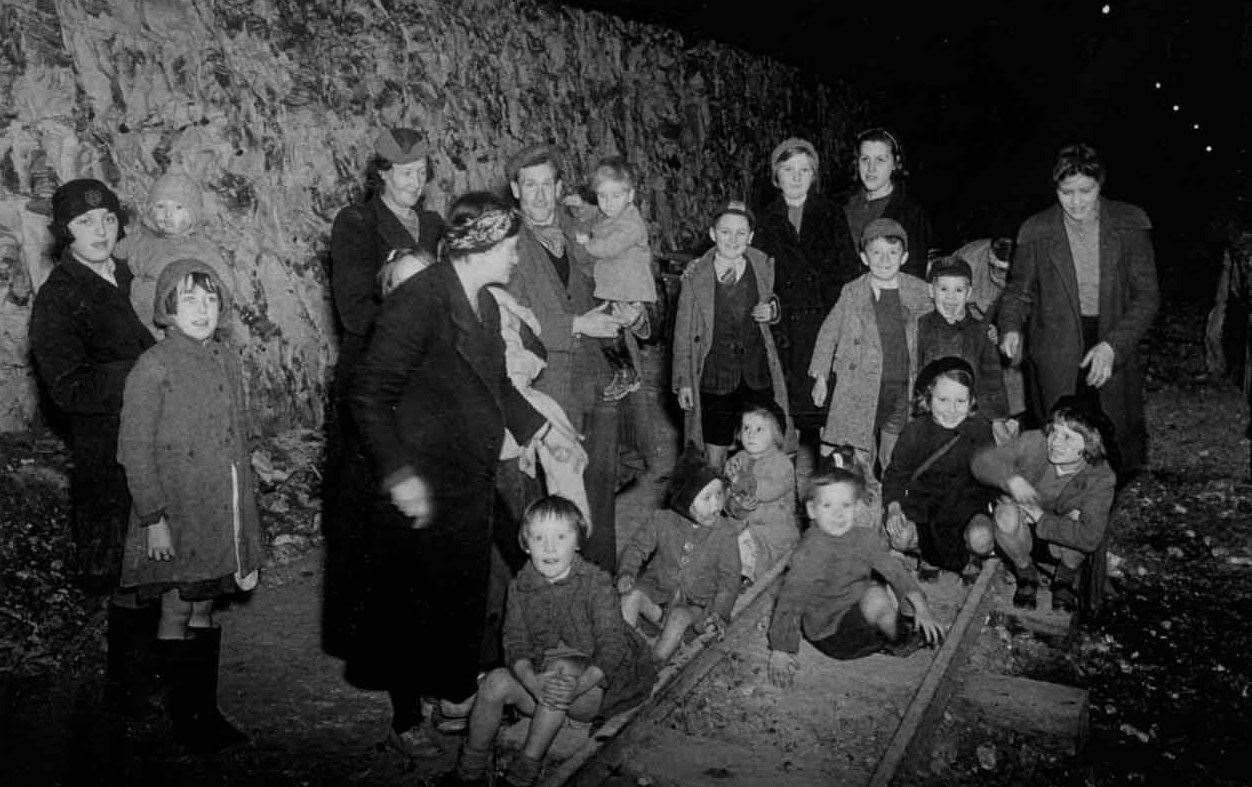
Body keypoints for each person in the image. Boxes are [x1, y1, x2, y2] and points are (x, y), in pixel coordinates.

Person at [351, 192, 585, 756]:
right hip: (416, 480)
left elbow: (498, 385)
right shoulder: (419, 301)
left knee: (458, 592)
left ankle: (453, 697)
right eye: (509, 247)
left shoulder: (482, 302)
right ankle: (405, 719)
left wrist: (542, 431)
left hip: (465, 476)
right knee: (411, 602)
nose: (515, 258)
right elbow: (367, 395)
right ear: (479, 247)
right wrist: (399, 477)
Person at [322, 128, 445, 743]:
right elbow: (354, 309)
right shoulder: (356, 225)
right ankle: (395, 683)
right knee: (385, 531)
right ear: (380, 175)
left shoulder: (436, 224)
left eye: (421, 168)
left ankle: (435, 671)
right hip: (379, 379)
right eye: (402, 171)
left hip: (429, 382)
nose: (413, 179)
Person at [116, 258, 261, 750]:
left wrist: (245, 512)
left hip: (217, 510)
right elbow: (133, 449)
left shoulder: (222, 357)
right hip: (176, 512)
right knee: (177, 609)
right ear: (167, 309)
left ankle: (204, 711)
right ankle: (184, 719)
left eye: (210, 299)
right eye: (188, 300)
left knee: (204, 606)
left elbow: (235, 437)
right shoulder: (153, 366)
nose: (201, 310)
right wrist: (154, 519)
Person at [443, 496, 656, 787]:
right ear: (525, 543)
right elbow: (515, 643)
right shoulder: (520, 587)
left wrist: (577, 687)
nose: (549, 547)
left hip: (596, 688)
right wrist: (531, 682)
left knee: (563, 671)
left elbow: (612, 646)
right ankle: (469, 771)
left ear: (578, 541)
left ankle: (523, 773)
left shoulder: (596, 583)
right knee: (494, 682)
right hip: (543, 688)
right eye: (539, 537)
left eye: (560, 536)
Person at [504, 143, 639, 571]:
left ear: (561, 187)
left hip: (599, 376)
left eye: (548, 184)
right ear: (515, 190)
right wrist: (579, 324)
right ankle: (557, 590)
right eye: (530, 186)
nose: (540, 196)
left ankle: (600, 578)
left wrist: (634, 308)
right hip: (550, 385)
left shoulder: (585, 226)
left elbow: (628, 265)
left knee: (601, 483)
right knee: (556, 494)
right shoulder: (508, 243)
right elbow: (518, 317)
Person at [999, 143, 1159, 476]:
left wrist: (1114, 346)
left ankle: (1103, 504)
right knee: (1058, 436)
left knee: (1113, 436)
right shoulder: (1036, 230)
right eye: (1066, 192)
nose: (1076, 202)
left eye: (1085, 191)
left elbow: (1147, 296)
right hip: (1055, 349)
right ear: (1055, 189)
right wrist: (1011, 325)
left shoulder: (1129, 224)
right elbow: (1018, 292)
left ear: (1100, 186)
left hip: (1111, 336)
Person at [766, 466, 943, 686]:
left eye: (846, 505)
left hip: (854, 606)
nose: (838, 514)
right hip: (831, 635)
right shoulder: (810, 554)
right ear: (812, 510)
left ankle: (896, 631)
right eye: (828, 505)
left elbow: (895, 572)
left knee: (884, 581)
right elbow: (790, 602)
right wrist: (780, 650)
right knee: (877, 593)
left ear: (856, 506)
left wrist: (922, 609)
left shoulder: (862, 538)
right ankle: (897, 640)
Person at [752, 137, 860, 454]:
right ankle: (788, 487)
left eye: (805, 170)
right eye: (788, 169)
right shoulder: (765, 221)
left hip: (825, 325)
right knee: (788, 412)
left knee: (828, 412)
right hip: (785, 329)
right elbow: (754, 273)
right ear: (775, 176)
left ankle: (831, 486)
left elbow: (848, 272)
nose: (796, 177)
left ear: (814, 175)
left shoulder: (832, 214)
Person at [671, 200, 794, 470]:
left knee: (763, 438)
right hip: (715, 373)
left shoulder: (763, 265)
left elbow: (779, 298)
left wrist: (772, 309)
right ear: (713, 234)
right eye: (725, 232)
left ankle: (760, 499)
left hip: (756, 371)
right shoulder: (696, 276)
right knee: (714, 440)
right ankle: (714, 496)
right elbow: (682, 333)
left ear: (750, 237)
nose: (733, 239)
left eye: (741, 233)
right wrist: (684, 382)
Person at [809, 218, 932, 473]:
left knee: (896, 455)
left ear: (905, 256)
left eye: (892, 253)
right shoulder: (853, 292)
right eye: (876, 253)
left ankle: (893, 505)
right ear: (864, 258)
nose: (885, 260)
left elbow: (946, 312)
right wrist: (821, 375)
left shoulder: (920, 291)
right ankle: (866, 502)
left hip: (903, 388)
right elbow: (828, 332)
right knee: (859, 456)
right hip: (860, 387)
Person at [971, 397, 1117, 612]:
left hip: (1061, 540)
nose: (1055, 442)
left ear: (1089, 444)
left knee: (1079, 517)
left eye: (1067, 438)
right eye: (1055, 432)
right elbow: (981, 461)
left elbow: (1089, 538)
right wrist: (1011, 479)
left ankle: (1065, 577)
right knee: (1005, 515)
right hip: (1023, 533)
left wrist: (1041, 518)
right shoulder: (1036, 442)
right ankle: (1026, 573)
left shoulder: (1101, 478)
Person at [617, 452, 741, 663]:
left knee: (679, 617)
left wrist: (719, 614)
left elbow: (729, 581)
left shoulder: (725, 533)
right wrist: (627, 572)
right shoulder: (661, 520)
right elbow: (637, 548)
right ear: (685, 501)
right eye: (707, 498)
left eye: (719, 495)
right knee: (630, 598)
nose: (716, 506)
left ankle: (654, 664)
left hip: (695, 605)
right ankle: (620, 652)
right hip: (658, 594)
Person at [882, 358, 996, 583]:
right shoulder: (915, 431)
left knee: (981, 538)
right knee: (899, 537)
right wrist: (894, 509)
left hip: (965, 507)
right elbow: (896, 475)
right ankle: (927, 553)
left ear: (971, 401)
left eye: (960, 401)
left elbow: (991, 473)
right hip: (925, 509)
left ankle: (971, 554)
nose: (952, 410)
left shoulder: (980, 429)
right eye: (942, 400)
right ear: (927, 398)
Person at [564, 156, 659, 401]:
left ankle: (628, 372)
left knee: (621, 331)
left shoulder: (632, 223)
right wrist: (578, 205)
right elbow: (597, 217)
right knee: (609, 335)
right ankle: (624, 372)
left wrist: (587, 244)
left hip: (629, 289)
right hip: (614, 288)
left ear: (630, 196)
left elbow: (608, 247)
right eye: (603, 196)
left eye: (616, 196)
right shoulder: (611, 215)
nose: (608, 203)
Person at [114, 172, 230, 339]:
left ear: (193, 213)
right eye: (160, 207)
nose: (168, 215)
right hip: (137, 322)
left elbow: (225, 283)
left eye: (178, 207)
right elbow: (113, 255)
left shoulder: (201, 248)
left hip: (181, 327)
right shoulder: (141, 239)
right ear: (150, 211)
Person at [917, 256, 1011, 430]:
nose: (951, 298)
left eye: (959, 290)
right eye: (944, 289)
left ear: (968, 294)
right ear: (931, 291)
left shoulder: (980, 332)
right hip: (929, 418)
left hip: (971, 419)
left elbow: (992, 379)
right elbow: (912, 376)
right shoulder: (920, 328)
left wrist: (997, 419)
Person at [839, 128, 931, 281]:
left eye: (880, 160)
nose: (871, 168)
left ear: (895, 164)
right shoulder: (842, 207)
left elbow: (913, 276)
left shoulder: (910, 214)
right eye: (865, 159)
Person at [724, 407, 799, 584]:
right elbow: (727, 494)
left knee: (745, 545)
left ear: (775, 435)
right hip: (741, 523)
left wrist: (739, 479)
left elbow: (769, 490)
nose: (750, 434)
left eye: (759, 429)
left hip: (772, 528)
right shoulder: (738, 458)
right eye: (746, 428)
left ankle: (744, 577)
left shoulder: (782, 462)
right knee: (718, 538)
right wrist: (733, 505)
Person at [953, 236, 1026, 417]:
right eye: (991, 265)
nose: (994, 273)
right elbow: (943, 306)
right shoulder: (968, 261)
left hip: (1008, 319)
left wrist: (1003, 332)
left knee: (1013, 357)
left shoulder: (1032, 267)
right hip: (966, 318)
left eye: (1002, 270)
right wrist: (974, 326)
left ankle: (1012, 419)